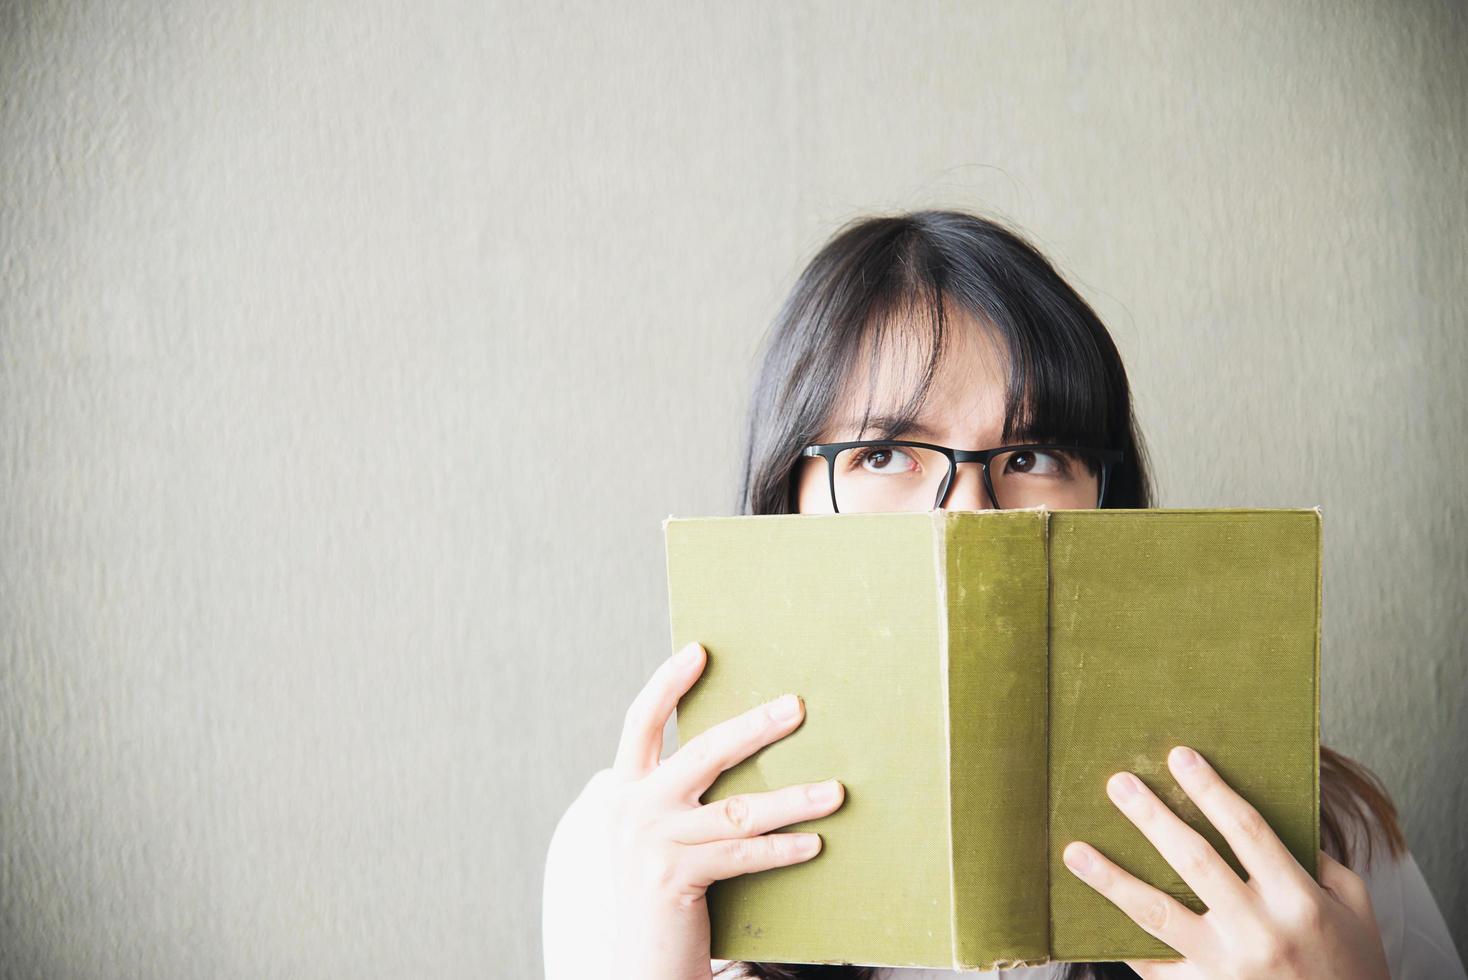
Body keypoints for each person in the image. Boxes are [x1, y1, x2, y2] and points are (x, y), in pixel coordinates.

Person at [541, 210, 1466, 980]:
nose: (970, 513)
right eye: (882, 454)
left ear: (1109, 497)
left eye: (1029, 457)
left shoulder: (1308, 841)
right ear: (785, 493)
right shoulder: (633, 854)